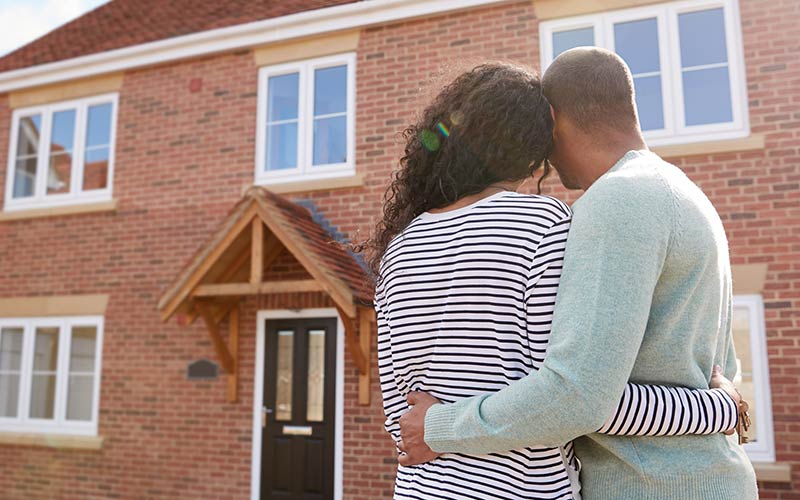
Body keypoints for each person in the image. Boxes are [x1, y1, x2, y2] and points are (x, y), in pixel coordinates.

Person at [369, 60, 746, 500]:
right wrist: (717, 408)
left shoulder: (399, 249)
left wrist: (437, 425)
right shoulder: (547, 224)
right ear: (536, 130)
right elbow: (577, 399)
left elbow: (406, 422)